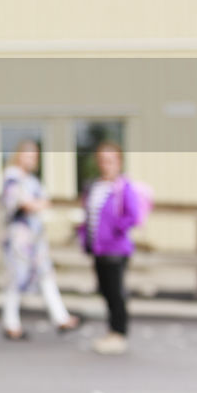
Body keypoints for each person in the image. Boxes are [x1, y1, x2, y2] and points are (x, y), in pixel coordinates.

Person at [0, 140, 80, 341]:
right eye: (28, 155)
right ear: (19, 155)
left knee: (46, 274)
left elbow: (43, 202)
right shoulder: (12, 177)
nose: (32, 159)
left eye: (34, 156)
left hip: (35, 236)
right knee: (16, 277)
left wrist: (36, 204)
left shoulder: (32, 180)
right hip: (19, 236)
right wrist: (35, 204)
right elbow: (25, 205)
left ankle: (60, 317)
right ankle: (11, 323)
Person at [80, 141, 141, 355]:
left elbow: (133, 215)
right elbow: (88, 216)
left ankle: (119, 332)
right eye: (102, 161)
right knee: (105, 290)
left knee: (116, 291)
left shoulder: (123, 187)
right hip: (97, 248)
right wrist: (84, 236)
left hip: (116, 248)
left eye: (110, 160)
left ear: (118, 162)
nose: (106, 165)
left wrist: (115, 229)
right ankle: (112, 330)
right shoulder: (94, 186)